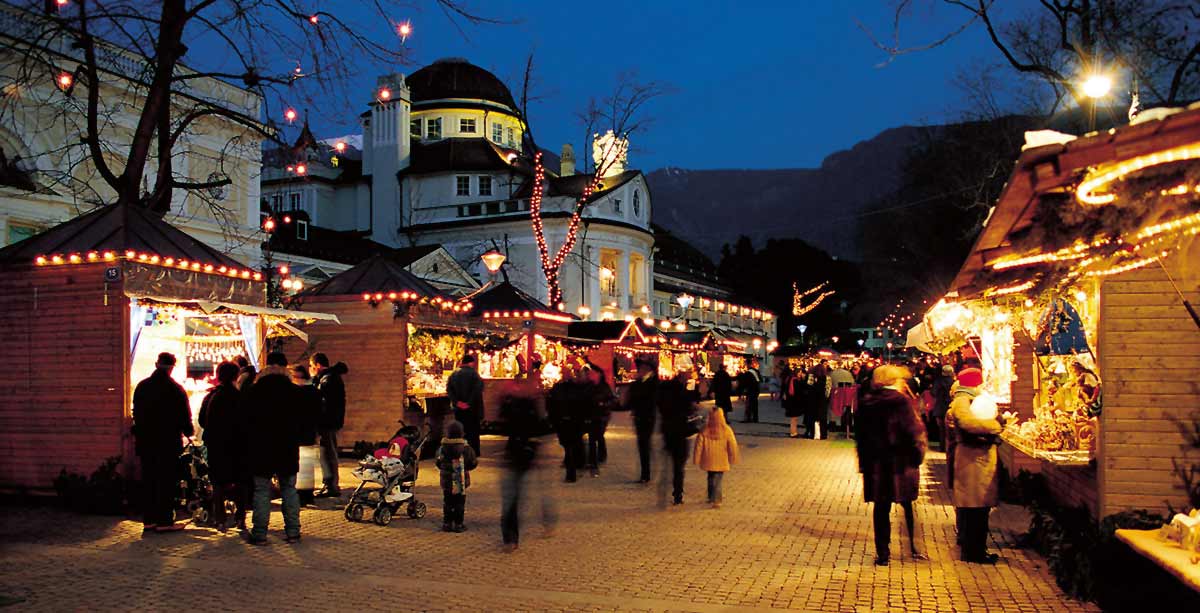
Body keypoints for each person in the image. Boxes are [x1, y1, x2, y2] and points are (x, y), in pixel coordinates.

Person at [856, 365, 928, 566]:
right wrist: (918, 456)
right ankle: (913, 546)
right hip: (900, 463)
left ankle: (883, 552)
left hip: (876, 464)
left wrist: (864, 462)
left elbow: (860, 436)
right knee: (907, 504)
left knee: (881, 508)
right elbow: (913, 432)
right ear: (893, 380)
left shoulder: (866, 401)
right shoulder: (900, 402)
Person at [946, 366, 1005, 564]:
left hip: (975, 458)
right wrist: (995, 426)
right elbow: (968, 423)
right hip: (973, 460)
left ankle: (975, 548)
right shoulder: (963, 401)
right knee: (975, 508)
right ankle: (974, 552)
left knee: (977, 508)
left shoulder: (969, 399)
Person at [244, 352, 303, 545]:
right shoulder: (294, 392)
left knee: (261, 490)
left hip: (261, 447)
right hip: (287, 447)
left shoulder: (254, 391)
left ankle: (260, 533)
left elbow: (246, 421)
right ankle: (293, 532)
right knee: (289, 489)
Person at [132, 352, 194, 534]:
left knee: (149, 479)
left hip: (146, 441)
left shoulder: (142, 387)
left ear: (156, 364)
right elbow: (185, 417)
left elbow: (137, 413)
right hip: (167, 442)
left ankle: (149, 519)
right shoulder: (175, 389)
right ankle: (164, 520)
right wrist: (188, 432)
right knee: (166, 481)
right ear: (172, 367)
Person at [498, 372, 556, 552]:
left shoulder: (526, 403)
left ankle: (512, 537)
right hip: (522, 452)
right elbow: (543, 427)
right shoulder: (528, 403)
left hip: (522, 452)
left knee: (516, 496)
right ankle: (511, 536)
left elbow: (502, 423)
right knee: (515, 496)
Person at [198, 361, 247, 532]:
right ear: (236, 376)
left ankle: (220, 519)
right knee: (239, 481)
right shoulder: (240, 397)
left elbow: (202, 421)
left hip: (216, 445)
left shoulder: (211, 396)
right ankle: (240, 518)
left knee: (218, 482)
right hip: (237, 446)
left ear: (218, 375)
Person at [658, 369, 698, 506]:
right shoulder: (683, 393)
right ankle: (677, 494)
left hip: (668, 431)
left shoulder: (664, 391)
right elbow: (690, 409)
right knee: (679, 466)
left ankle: (663, 487)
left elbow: (660, 407)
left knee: (668, 462)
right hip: (680, 432)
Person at [310, 353, 347, 498]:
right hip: (331, 420)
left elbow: (320, 399)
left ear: (317, 365)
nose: (311, 370)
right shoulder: (331, 377)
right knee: (327, 452)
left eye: (312, 367)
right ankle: (330, 483)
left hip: (327, 421)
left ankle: (331, 484)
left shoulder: (327, 379)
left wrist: (313, 381)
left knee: (327, 452)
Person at [693, 406, 740, 508]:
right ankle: (717, 500)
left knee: (710, 477)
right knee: (718, 479)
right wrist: (733, 457)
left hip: (708, 459)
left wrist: (696, 459)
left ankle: (711, 497)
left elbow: (698, 446)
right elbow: (732, 445)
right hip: (721, 459)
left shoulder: (705, 430)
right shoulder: (726, 430)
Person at [435, 420, 478, 533]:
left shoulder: (442, 447)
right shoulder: (465, 448)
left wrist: (444, 469)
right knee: (459, 502)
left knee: (447, 501)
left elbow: (438, 462)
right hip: (460, 479)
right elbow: (473, 462)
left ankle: (447, 523)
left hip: (447, 480)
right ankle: (458, 524)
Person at [290, 364, 323, 505]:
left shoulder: (296, 393)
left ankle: (302, 496)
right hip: (310, 431)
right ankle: (308, 494)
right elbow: (319, 412)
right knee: (307, 465)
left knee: (300, 465)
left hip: (298, 432)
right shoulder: (314, 391)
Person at [548, 363, 585, 482]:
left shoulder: (560, 388)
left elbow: (551, 404)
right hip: (568, 420)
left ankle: (571, 472)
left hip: (568, 420)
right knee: (570, 446)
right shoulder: (572, 388)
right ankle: (573, 467)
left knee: (569, 446)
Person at [625, 356, 659, 483]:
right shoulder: (640, 382)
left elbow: (649, 399)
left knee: (644, 444)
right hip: (640, 417)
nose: (640, 370)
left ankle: (646, 474)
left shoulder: (652, 382)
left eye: (642, 368)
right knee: (643, 444)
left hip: (647, 417)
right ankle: (645, 472)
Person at [446, 355, 485, 457]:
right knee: (473, 431)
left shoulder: (454, 374)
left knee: (461, 430)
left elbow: (449, 390)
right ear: (471, 363)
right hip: (473, 409)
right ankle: (473, 452)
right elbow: (478, 390)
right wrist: (468, 403)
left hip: (459, 409)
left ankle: (460, 451)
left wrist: (457, 402)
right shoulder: (474, 374)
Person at [582, 364, 615, 477]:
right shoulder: (589, 386)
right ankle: (594, 462)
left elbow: (611, 400)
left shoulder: (604, 387)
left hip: (601, 416)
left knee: (598, 436)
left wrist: (604, 405)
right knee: (592, 439)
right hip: (591, 416)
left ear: (599, 375)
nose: (592, 375)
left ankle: (600, 457)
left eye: (594, 373)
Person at [929, 365, 956, 451]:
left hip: (940, 408)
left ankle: (942, 447)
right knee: (950, 430)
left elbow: (933, 392)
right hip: (951, 408)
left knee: (941, 429)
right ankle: (949, 448)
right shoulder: (954, 382)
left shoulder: (938, 382)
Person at [804, 362, 830, 439]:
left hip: (812, 400)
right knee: (823, 418)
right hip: (822, 400)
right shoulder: (827, 378)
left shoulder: (811, 376)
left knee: (812, 417)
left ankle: (813, 434)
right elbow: (828, 391)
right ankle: (823, 435)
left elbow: (808, 387)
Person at [783, 367, 804, 438]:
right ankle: (793, 432)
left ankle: (794, 432)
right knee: (794, 418)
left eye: (801, 373)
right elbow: (799, 392)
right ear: (796, 373)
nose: (800, 374)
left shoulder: (789, 379)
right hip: (794, 402)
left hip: (790, 401)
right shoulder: (796, 381)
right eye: (799, 373)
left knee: (794, 418)